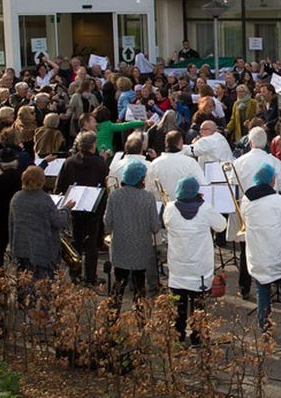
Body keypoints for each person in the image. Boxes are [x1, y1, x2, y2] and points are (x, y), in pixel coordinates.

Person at [163, 176, 227, 343]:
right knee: (199, 305)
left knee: (179, 306)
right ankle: (198, 336)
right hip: (200, 268)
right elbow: (221, 225)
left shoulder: (169, 208)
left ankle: (178, 336)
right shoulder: (205, 208)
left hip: (178, 268)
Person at [241, 163, 281, 330]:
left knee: (262, 291)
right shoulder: (280, 201)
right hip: (277, 256)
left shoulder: (246, 199)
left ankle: (264, 328)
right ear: (273, 180)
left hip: (256, 255)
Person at [103, 159, 161, 312]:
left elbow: (107, 222)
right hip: (141, 248)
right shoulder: (147, 197)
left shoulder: (114, 196)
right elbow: (155, 227)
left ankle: (112, 319)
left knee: (119, 283)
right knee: (139, 286)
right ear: (141, 179)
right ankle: (140, 321)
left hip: (120, 246)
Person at [56, 130, 110, 284]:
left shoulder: (69, 162)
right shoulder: (100, 163)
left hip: (74, 207)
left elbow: (61, 185)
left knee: (76, 241)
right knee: (91, 244)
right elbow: (105, 186)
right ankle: (91, 277)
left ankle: (75, 274)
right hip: (93, 208)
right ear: (93, 145)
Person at [9, 165, 74, 279]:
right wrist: (66, 209)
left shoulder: (16, 197)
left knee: (24, 281)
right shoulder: (44, 199)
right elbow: (59, 222)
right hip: (41, 250)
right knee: (42, 285)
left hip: (20, 247)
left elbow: (11, 223)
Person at [149, 130, 205, 201]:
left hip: (161, 208)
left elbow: (148, 188)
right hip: (184, 207)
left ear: (165, 143)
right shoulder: (190, 162)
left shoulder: (154, 164)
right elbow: (202, 185)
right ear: (181, 143)